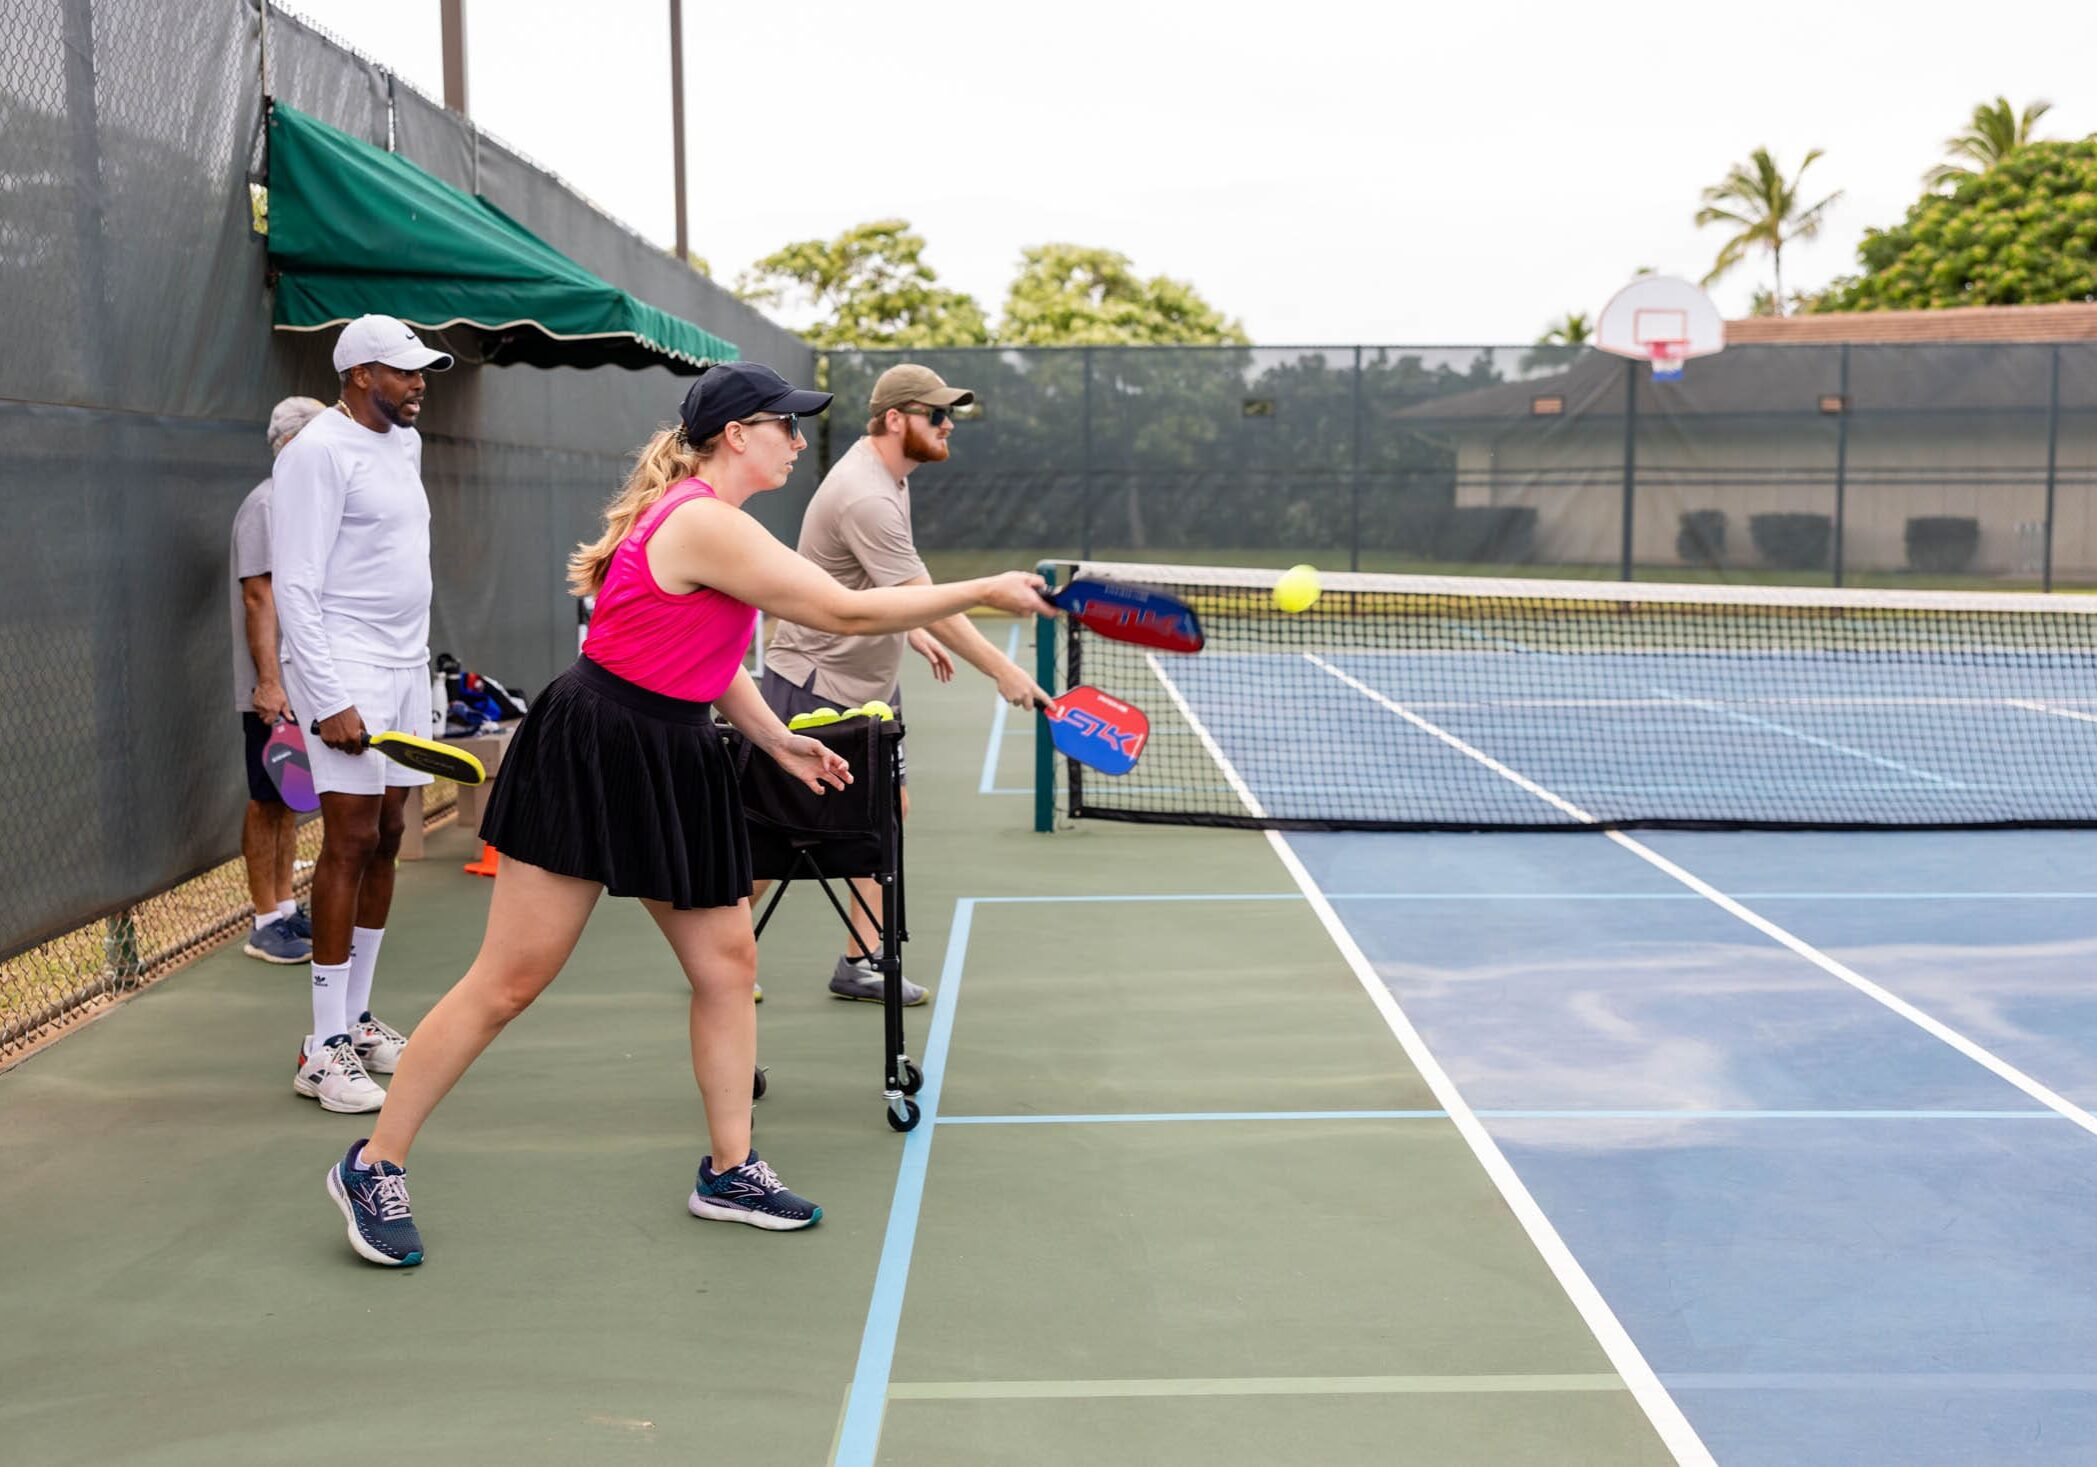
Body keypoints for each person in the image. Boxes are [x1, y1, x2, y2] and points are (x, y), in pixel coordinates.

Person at [321, 360, 1056, 1267]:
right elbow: (841, 608)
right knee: (509, 980)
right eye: (784, 424)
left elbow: (707, 653)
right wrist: (980, 590)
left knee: (726, 959)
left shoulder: (719, 520)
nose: (796, 439)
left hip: (674, 747)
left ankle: (729, 1167)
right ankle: (373, 1161)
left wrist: (775, 737)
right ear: (736, 434)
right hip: (596, 746)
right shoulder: (705, 520)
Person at [760, 363, 1050, 1005]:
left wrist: (910, 628)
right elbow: (930, 601)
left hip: (865, 680)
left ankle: (858, 960)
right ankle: (724, 949)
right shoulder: (867, 492)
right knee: (781, 832)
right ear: (896, 419)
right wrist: (1002, 668)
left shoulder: (890, 477)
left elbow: (888, 586)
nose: (948, 426)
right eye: (936, 415)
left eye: (950, 415)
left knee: (886, 812)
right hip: (818, 678)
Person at [272, 315, 454, 1114]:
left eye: (422, 372)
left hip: (404, 666)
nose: (419, 384)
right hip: (342, 665)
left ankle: (355, 1019)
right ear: (357, 375)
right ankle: (321, 1046)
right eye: (404, 371)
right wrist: (329, 695)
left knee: (387, 834)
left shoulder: (404, 443)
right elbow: (295, 587)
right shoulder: (315, 454)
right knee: (347, 836)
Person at [231, 396, 328, 965]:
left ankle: (286, 909)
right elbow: (257, 594)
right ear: (292, 444)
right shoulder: (265, 506)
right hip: (272, 688)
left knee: (289, 797)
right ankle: (263, 919)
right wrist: (270, 683)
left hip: (300, 681)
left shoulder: (297, 505)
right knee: (266, 799)